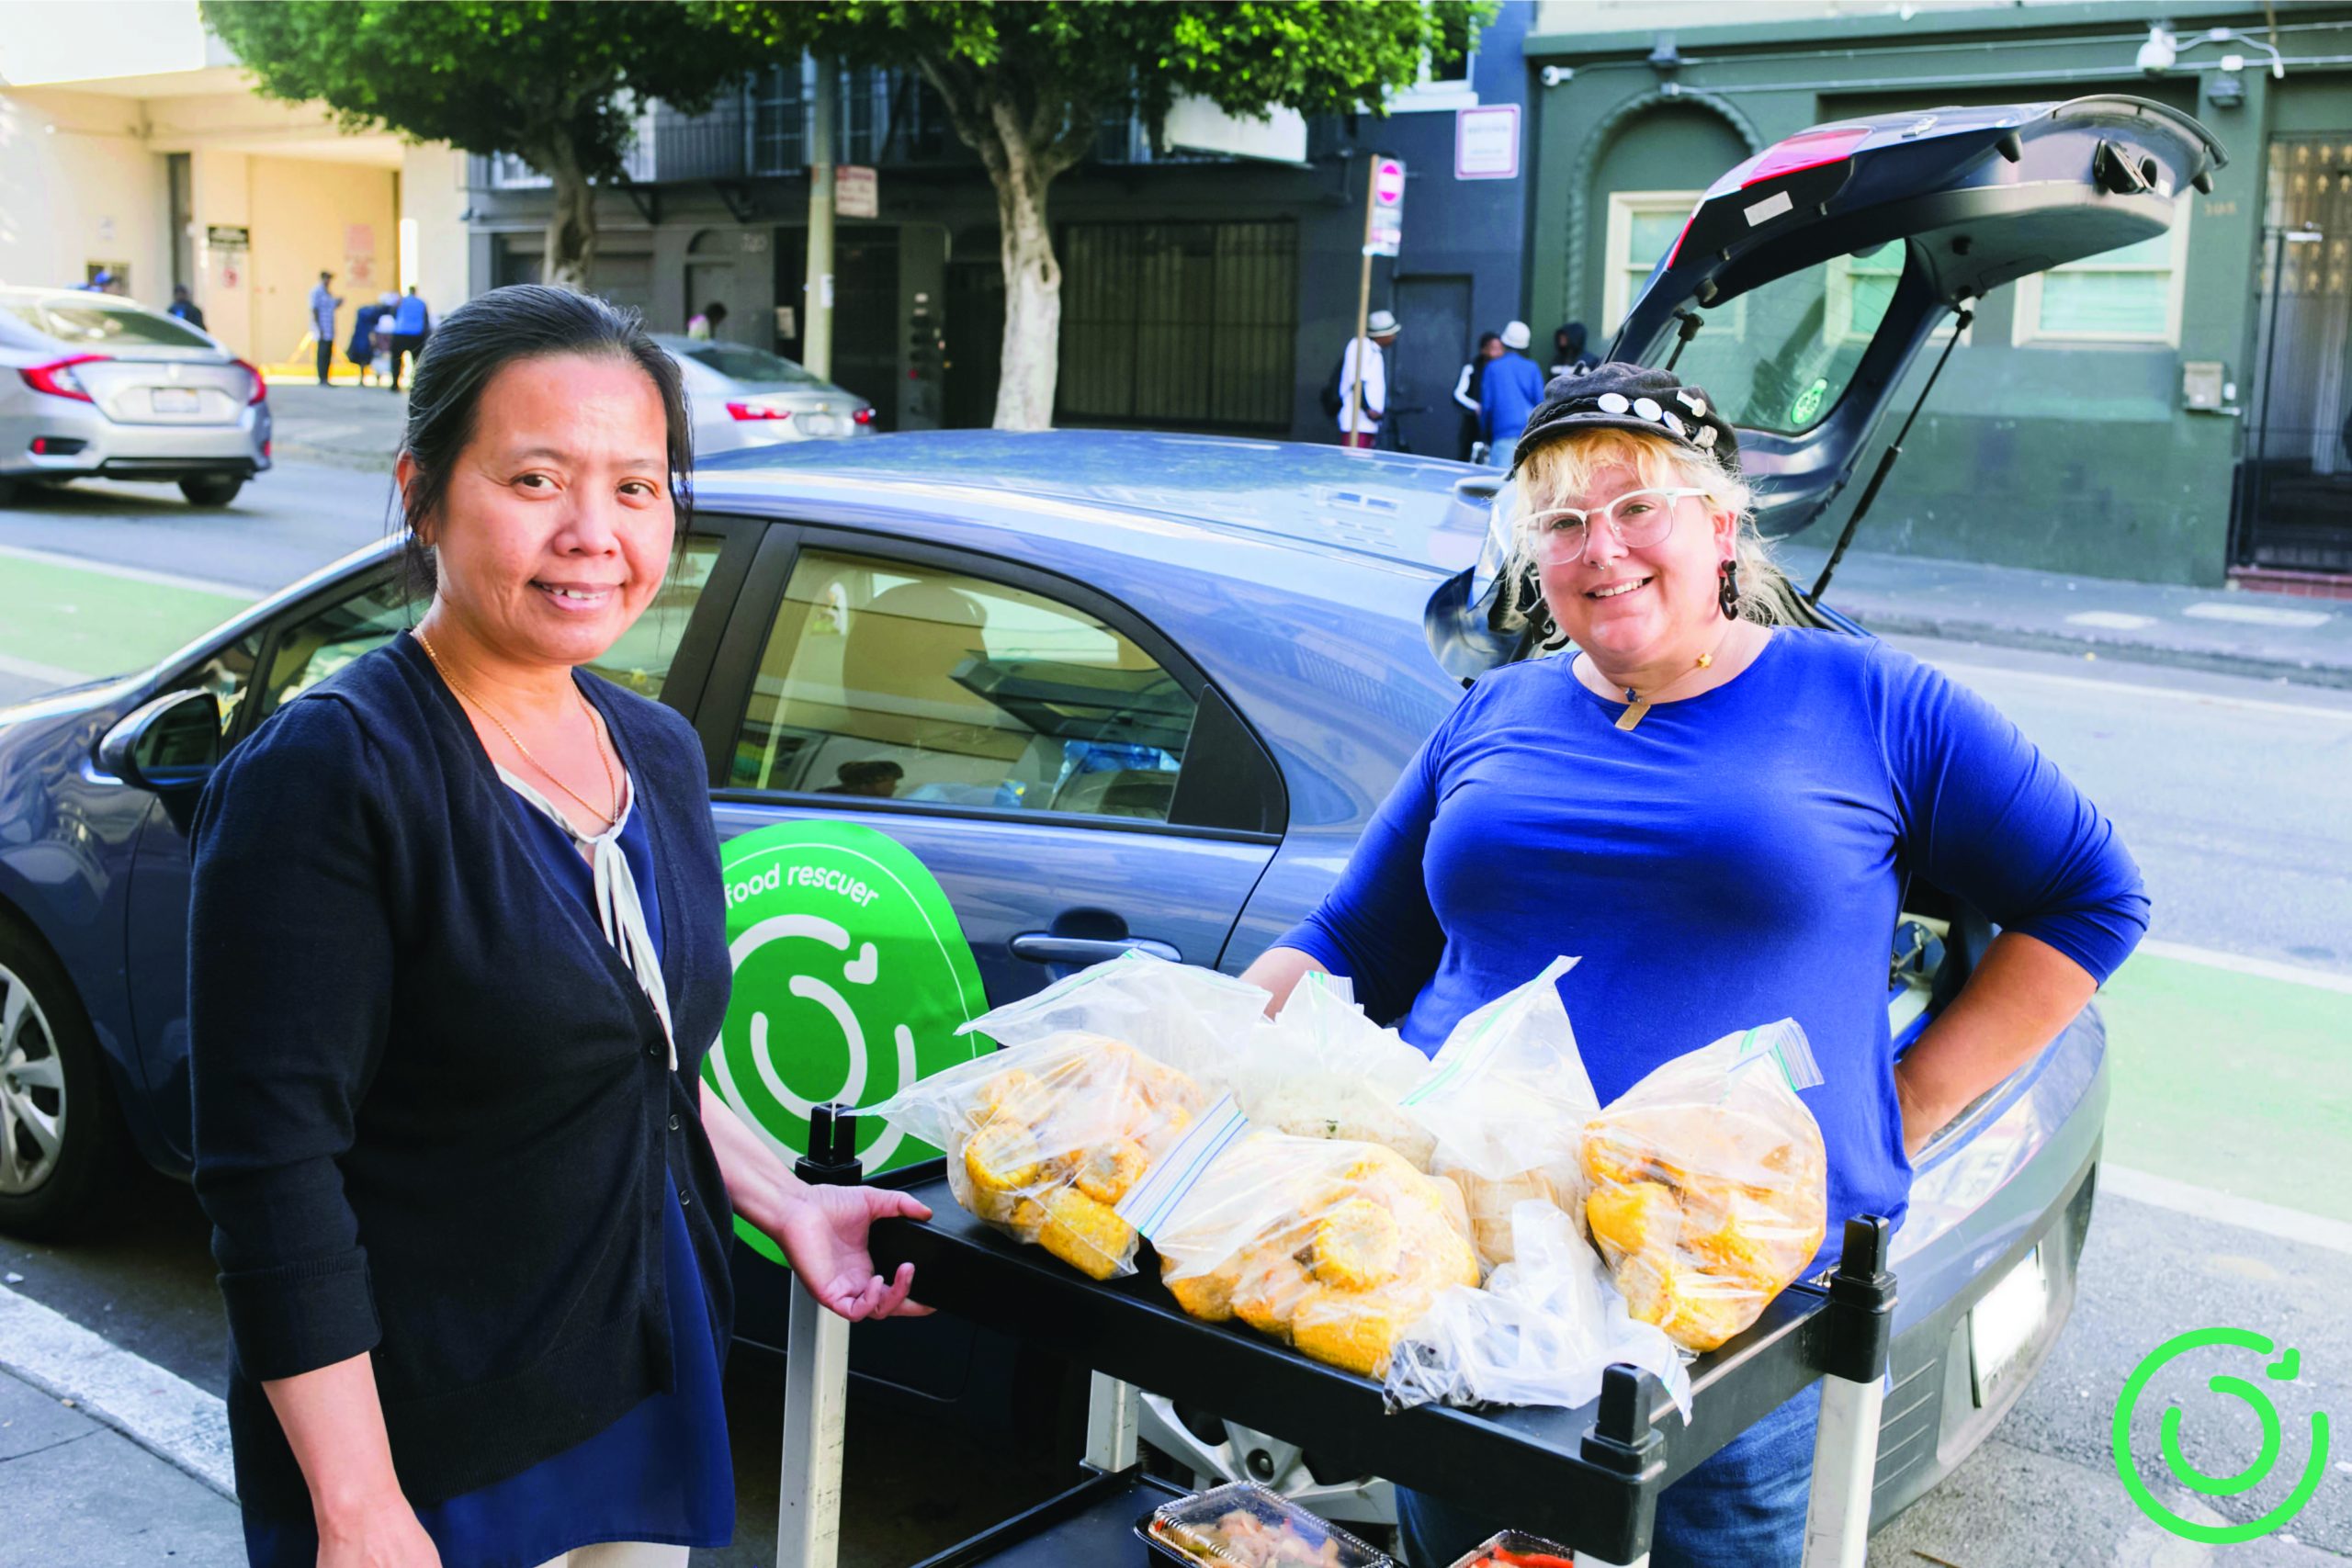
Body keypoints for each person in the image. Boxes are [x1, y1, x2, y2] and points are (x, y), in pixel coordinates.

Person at [1241, 361, 2148, 1568]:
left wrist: (1907, 1102)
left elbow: (2092, 896)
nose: (1599, 546)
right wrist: (1205, 1063)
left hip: (1732, 1311)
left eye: (1635, 506)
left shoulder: (1870, 700)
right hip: (1471, 1279)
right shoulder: (1490, 714)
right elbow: (1352, 942)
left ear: (1720, 523)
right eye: (1561, 521)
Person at [189, 283, 933, 1568]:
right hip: (429, 1435)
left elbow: (654, 1056)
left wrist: (782, 1200)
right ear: (425, 493)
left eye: (637, 487)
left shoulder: (656, 749)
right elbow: (270, 1174)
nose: (595, 532)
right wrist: (357, 1506)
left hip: (642, 1370)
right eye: (536, 478)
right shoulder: (333, 770)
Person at [1477, 321, 1545, 469]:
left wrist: (1485, 435)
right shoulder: (1532, 367)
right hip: (1529, 435)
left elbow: (1487, 407)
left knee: (1498, 485)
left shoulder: (1492, 367)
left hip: (1502, 434)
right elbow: (1541, 404)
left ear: (1504, 340)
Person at [1335, 309, 1401, 450]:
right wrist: (1367, 409)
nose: (1394, 337)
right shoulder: (1360, 346)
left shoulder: (1375, 352)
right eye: (1392, 333)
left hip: (1368, 424)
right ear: (1382, 334)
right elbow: (1356, 381)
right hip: (1357, 422)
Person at [1452, 331, 1504, 463]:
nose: (1497, 353)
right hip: (1472, 424)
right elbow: (1458, 394)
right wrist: (1476, 406)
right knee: (1467, 455)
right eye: (1493, 348)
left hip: (1494, 423)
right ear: (1483, 350)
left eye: (1500, 349)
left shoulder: (1502, 370)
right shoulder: (1472, 368)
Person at [389, 285, 433, 393]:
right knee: (416, 362)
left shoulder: (401, 301)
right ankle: (415, 385)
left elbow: (393, 314)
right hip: (416, 334)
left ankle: (395, 384)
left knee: (396, 360)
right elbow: (425, 319)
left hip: (400, 333)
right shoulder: (421, 303)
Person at [347, 295, 390, 387]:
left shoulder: (364, 312)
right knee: (376, 358)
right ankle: (376, 377)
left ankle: (364, 377)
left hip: (362, 338)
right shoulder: (375, 314)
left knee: (367, 359)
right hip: (370, 338)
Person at [309, 271, 343, 387]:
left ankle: (326, 378)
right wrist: (319, 328)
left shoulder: (327, 293)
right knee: (322, 354)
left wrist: (338, 302)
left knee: (328, 353)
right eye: (327, 278)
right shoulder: (316, 291)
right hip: (322, 328)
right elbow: (314, 309)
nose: (329, 281)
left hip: (329, 328)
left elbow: (331, 306)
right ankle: (322, 378)